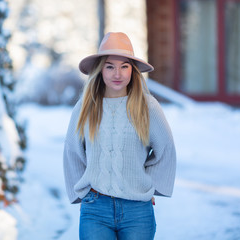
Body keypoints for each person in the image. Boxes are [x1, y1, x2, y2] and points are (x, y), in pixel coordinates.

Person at [63, 32, 176, 240]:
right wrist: (83, 194)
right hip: (96, 209)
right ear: (100, 70)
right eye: (110, 66)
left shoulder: (147, 106)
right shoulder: (86, 107)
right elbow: (72, 151)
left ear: (133, 71)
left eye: (124, 66)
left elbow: (166, 149)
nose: (118, 73)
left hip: (137, 211)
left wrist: (149, 185)